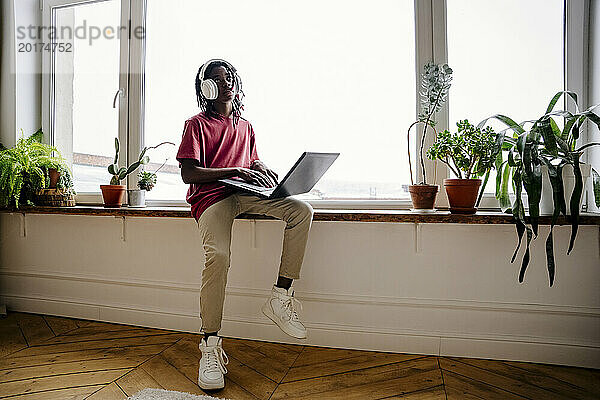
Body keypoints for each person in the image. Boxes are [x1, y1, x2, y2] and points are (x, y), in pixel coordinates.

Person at [176, 59, 314, 390]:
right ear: (206, 87)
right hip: (213, 199)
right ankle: (210, 345)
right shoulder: (195, 124)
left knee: (301, 210)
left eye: (230, 78)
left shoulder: (246, 126)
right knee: (218, 258)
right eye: (219, 79)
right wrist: (232, 171)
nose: (227, 83)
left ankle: (280, 296)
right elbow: (188, 174)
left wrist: (263, 170)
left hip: (247, 194)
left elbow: (249, 160)